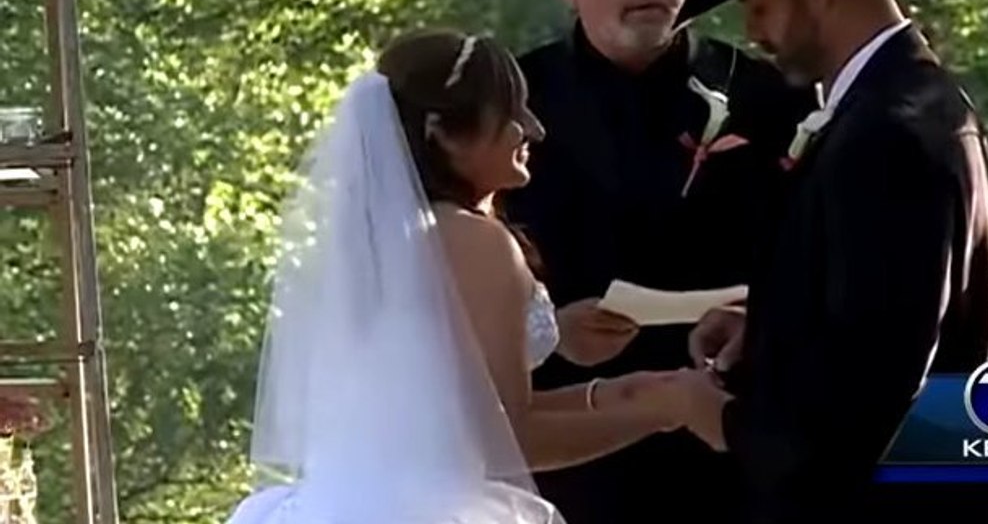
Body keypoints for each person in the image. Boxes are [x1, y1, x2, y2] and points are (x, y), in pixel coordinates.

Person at [671, 0, 988, 522]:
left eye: (758, 5)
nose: (752, 33)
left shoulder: (889, 135)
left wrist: (720, 418)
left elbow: (866, 402)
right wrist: (774, 327)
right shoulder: (909, 102)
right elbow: (893, 312)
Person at [225, 31, 692, 524]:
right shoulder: (479, 243)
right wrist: (667, 411)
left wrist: (615, 392)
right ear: (443, 134)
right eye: (511, 114)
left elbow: (457, 412)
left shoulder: (378, 244)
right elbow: (507, 439)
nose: (533, 130)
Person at [500, 0, 814, 523]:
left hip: (738, 458)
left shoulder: (773, 99)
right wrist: (549, 332)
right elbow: (448, 294)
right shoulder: (509, 110)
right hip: (568, 466)